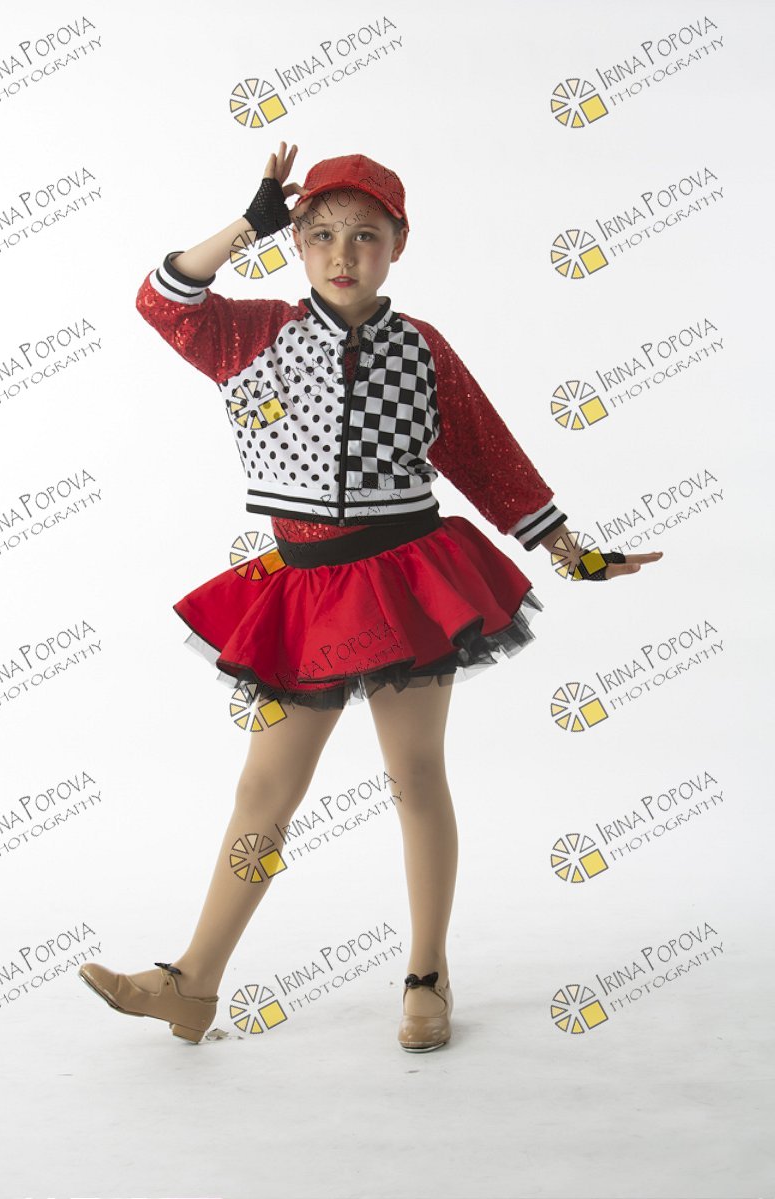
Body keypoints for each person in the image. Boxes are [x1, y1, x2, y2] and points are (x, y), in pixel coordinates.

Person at [77, 143, 663, 1050]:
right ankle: (193, 981)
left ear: (398, 244)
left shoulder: (422, 349)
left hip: (407, 580)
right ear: (295, 244)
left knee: (415, 773)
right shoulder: (251, 336)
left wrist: (570, 551)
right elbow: (163, 299)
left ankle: (427, 974)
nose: (342, 253)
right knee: (262, 790)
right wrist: (246, 225)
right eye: (319, 236)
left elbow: (488, 457)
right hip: (305, 593)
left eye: (364, 235)